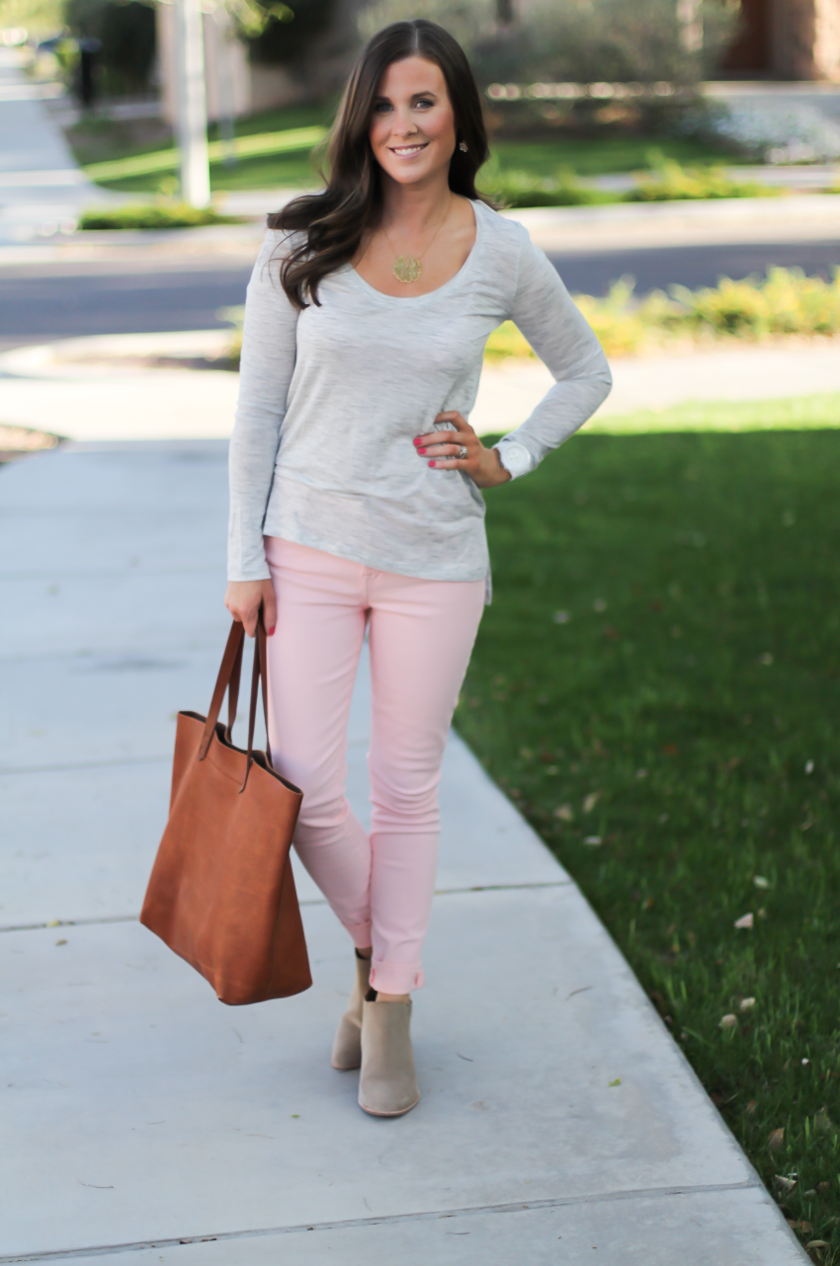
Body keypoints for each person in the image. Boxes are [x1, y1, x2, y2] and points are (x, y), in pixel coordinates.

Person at [224, 18, 611, 1118]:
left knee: (407, 787)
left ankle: (388, 1004)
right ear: (362, 116)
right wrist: (241, 558)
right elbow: (255, 411)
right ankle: (377, 961)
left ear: (458, 120)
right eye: (387, 104)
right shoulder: (298, 239)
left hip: (435, 556)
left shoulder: (500, 248)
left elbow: (583, 373)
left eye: (426, 103)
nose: (405, 123)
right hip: (306, 541)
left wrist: (510, 457)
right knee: (301, 789)